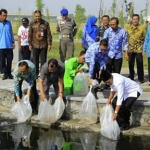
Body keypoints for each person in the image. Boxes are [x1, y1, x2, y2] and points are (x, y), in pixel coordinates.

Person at [28, 10, 52, 77]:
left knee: (43, 61)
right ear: (34, 16)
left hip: (43, 45)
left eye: (38, 16)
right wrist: (30, 44)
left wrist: (49, 44)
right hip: (35, 44)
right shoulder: (32, 23)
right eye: (36, 16)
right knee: (35, 60)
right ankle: (35, 73)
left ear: (41, 16)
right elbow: (29, 34)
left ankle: (43, 74)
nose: (37, 17)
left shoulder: (45, 23)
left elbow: (49, 34)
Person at [125, 14, 146, 83]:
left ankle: (141, 78)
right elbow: (125, 39)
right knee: (130, 63)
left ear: (138, 19)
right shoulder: (127, 27)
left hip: (139, 49)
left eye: (136, 19)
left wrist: (144, 50)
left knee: (139, 63)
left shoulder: (142, 28)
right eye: (134, 19)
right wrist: (125, 50)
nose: (135, 20)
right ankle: (131, 76)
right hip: (130, 48)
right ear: (132, 19)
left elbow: (144, 38)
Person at [0, 9, 15, 80]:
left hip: (9, 45)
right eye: (3, 15)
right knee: (2, 61)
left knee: (10, 60)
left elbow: (11, 33)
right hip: (1, 46)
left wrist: (13, 41)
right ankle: (5, 73)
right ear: (0, 15)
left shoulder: (9, 23)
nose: (5, 17)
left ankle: (9, 73)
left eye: (6, 15)